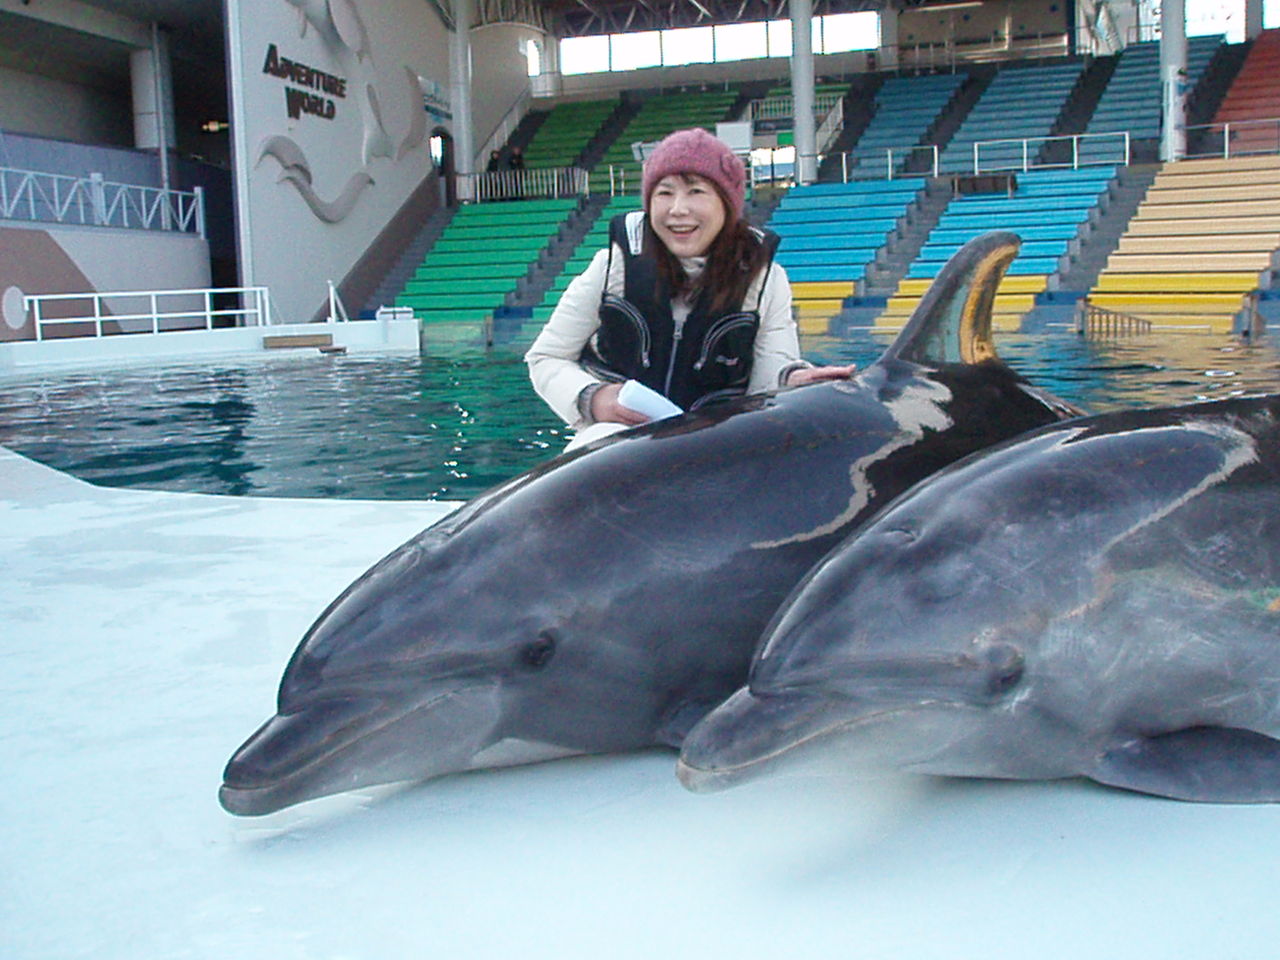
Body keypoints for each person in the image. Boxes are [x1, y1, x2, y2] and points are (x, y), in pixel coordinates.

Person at [524, 127, 854, 448]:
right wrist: (592, 398)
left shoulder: (765, 279)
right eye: (664, 192)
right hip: (612, 446)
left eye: (696, 191)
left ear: (727, 204)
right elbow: (546, 357)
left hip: (714, 450)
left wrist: (794, 382)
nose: (678, 209)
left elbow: (768, 381)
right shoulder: (612, 265)